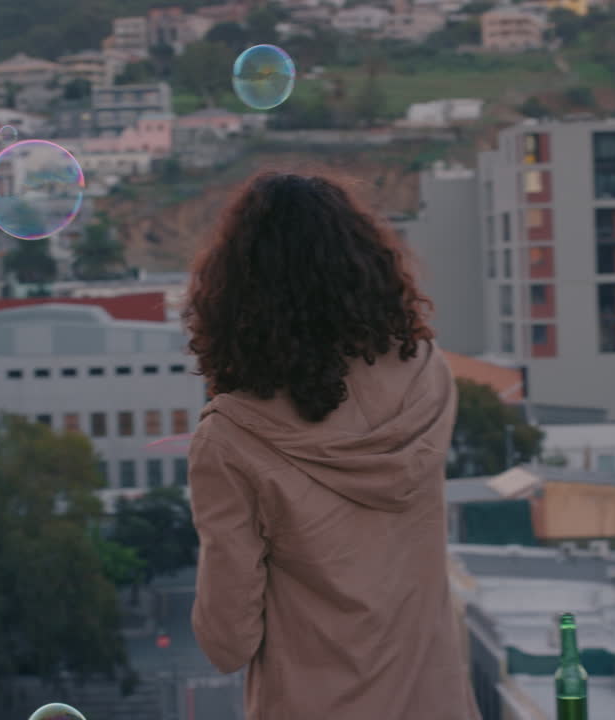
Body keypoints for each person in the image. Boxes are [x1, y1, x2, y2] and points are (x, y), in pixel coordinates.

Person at [180, 171, 483, 720]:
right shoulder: (427, 377)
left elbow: (227, 642)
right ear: (365, 268)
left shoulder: (230, 440)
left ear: (236, 294)